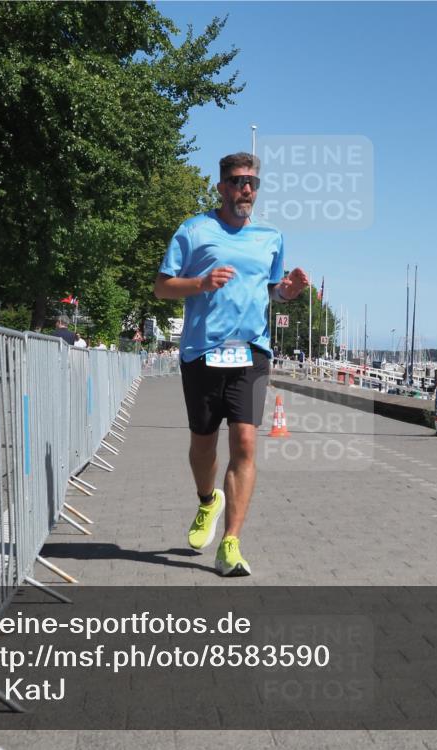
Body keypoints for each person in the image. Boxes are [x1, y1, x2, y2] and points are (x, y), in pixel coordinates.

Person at [154, 151, 308, 576]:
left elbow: (272, 290)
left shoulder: (270, 237)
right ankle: (208, 501)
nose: (246, 190)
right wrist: (200, 283)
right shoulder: (194, 230)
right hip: (201, 352)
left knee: (244, 442)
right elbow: (162, 287)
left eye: (253, 183)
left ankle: (231, 544)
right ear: (222, 186)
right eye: (239, 182)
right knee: (203, 444)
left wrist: (289, 293)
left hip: (251, 353)